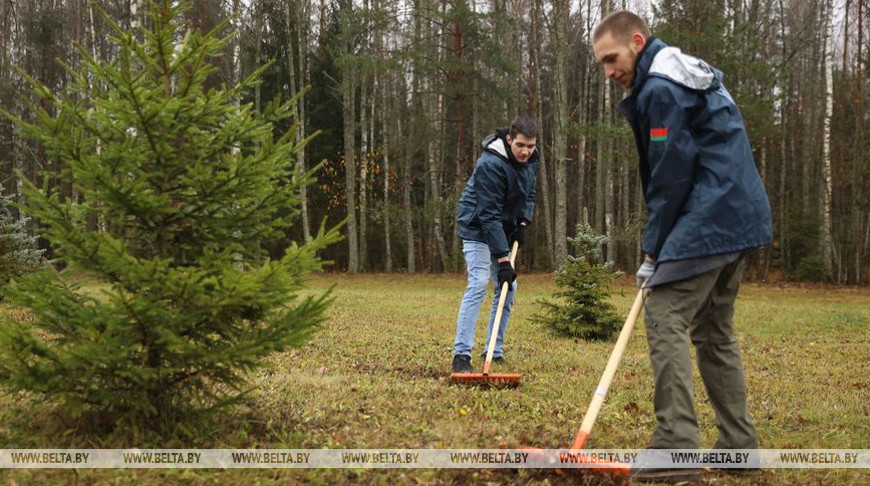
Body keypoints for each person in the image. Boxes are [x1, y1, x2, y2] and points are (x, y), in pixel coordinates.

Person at [591, 11, 772, 483]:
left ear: (636, 41)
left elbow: (672, 175)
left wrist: (653, 251)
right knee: (713, 332)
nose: (608, 72)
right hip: (740, 214)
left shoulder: (661, 88)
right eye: (602, 64)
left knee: (665, 314)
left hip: (710, 215)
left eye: (612, 58)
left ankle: (676, 448)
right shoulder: (682, 71)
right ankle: (738, 448)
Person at [451, 116, 539, 374]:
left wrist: (523, 222)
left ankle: (493, 351)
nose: (525, 151)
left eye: (531, 146)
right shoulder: (490, 164)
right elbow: (488, 213)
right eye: (520, 145)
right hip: (478, 225)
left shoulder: (532, 158)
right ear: (509, 139)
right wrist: (503, 259)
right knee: (478, 283)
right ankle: (461, 355)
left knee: (508, 287)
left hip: (504, 225)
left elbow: (529, 193)